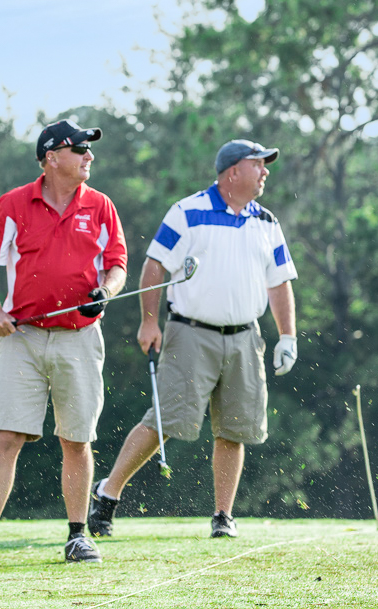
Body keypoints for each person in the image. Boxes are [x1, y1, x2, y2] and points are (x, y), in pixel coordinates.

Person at [89, 139, 298, 539]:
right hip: (190, 333)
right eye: (259, 165)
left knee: (235, 430)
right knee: (164, 420)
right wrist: (149, 323)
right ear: (233, 171)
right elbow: (154, 267)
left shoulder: (267, 222)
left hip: (244, 337)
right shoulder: (188, 212)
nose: (266, 172)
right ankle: (108, 493)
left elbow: (279, 283)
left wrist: (287, 335)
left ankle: (223, 516)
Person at [0, 119, 128, 566]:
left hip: (80, 337)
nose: (88, 157)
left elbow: (117, 264)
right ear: (52, 156)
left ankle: (78, 534)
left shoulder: (100, 205)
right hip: (23, 337)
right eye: (80, 150)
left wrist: (107, 291)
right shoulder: (15, 204)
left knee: (76, 439)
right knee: (7, 435)